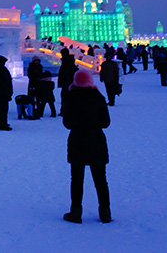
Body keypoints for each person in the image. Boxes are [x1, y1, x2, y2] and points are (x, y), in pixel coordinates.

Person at [62, 69, 111, 224]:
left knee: (76, 179)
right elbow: (106, 123)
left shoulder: (70, 97)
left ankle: (76, 212)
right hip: (96, 140)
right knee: (101, 179)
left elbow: (67, 123)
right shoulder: (98, 97)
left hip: (77, 140)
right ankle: (105, 212)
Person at [58, 49, 78, 116]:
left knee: (65, 97)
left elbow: (64, 73)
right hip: (69, 82)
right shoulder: (69, 62)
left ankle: (65, 111)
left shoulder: (66, 62)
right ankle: (67, 110)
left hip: (67, 82)